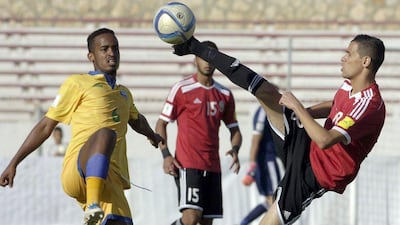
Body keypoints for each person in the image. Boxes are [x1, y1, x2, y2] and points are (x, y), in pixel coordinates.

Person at [172, 34, 385, 225]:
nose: (343, 58)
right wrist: (303, 113)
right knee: (267, 92)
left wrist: (298, 109)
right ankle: (198, 47)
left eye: (349, 54)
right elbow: (336, 104)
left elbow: (325, 139)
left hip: (315, 175)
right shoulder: (350, 86)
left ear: (365, 61)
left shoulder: (370, 105)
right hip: (308, 148)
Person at [0, 28, 163, 225]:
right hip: (78, 170)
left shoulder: (124, 94)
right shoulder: (78, 83)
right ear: (91, 56)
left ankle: (94, 210)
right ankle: (92, 204)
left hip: (111, 179)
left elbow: (137, 120)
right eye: (104, 49)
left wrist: (152, 135)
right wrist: (14, 163)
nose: (111, 53)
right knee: (106, 134)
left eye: (115, 48)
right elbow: (45, 126)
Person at [155, 40, 243, 225]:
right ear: (195, 59)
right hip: (188, 164)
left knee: (206, 222)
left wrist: (235, 149)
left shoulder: (225, 94)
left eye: (212, 57)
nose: (208, 62)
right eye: (203, 57)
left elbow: (235, 129)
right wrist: (166, 155)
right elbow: (161, 124)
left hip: (213, 166)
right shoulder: (182, 89)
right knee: (191, 218)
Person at [240, 106, 283, 225]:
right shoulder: (263, 112)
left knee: (270, 200)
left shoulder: (271, 111)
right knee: (276, 200)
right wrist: (252, 168)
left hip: (266, 161)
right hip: (266, 162)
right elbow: (255, 140)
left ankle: (244, 222)